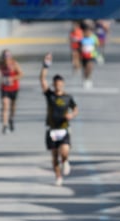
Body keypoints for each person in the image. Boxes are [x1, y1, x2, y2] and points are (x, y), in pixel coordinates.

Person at [40, 53, 79, 186]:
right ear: (54, 84)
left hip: (64, 129)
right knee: (54, 156)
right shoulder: (50, 95)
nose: (58, 86)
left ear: (63, 84)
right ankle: (58, 176)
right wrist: (46, 65)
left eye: (60, 84)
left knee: (65, 151)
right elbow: (42, 80)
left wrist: (71, 115)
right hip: (52, 129)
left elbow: (75, 109)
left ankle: (66, 161)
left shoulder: (68, 97)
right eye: (56, 84)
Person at [0, 49, 22, 134]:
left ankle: (11, 118)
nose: (7, 59)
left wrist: (12, 78)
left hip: (14, 88)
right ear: (2, 58)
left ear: (10, 57)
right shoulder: (0, 65)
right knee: (5, 104)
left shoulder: (15, 64)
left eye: (8, 57)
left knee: (13, 106)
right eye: (5, 57)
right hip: (4, 88)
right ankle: (5, 125)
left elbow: (21, 74)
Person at [78, 24, 100, 89]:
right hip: (83, 56)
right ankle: (85, 79)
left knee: (89, 67)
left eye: (89, 31)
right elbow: (79, 47)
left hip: (91, 55)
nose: (87, 33)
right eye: (86, 31)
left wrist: (94, 52)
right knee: (85, 69)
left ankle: (89, 79)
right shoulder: (82, 38)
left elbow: (96, 45)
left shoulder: (94, 38)